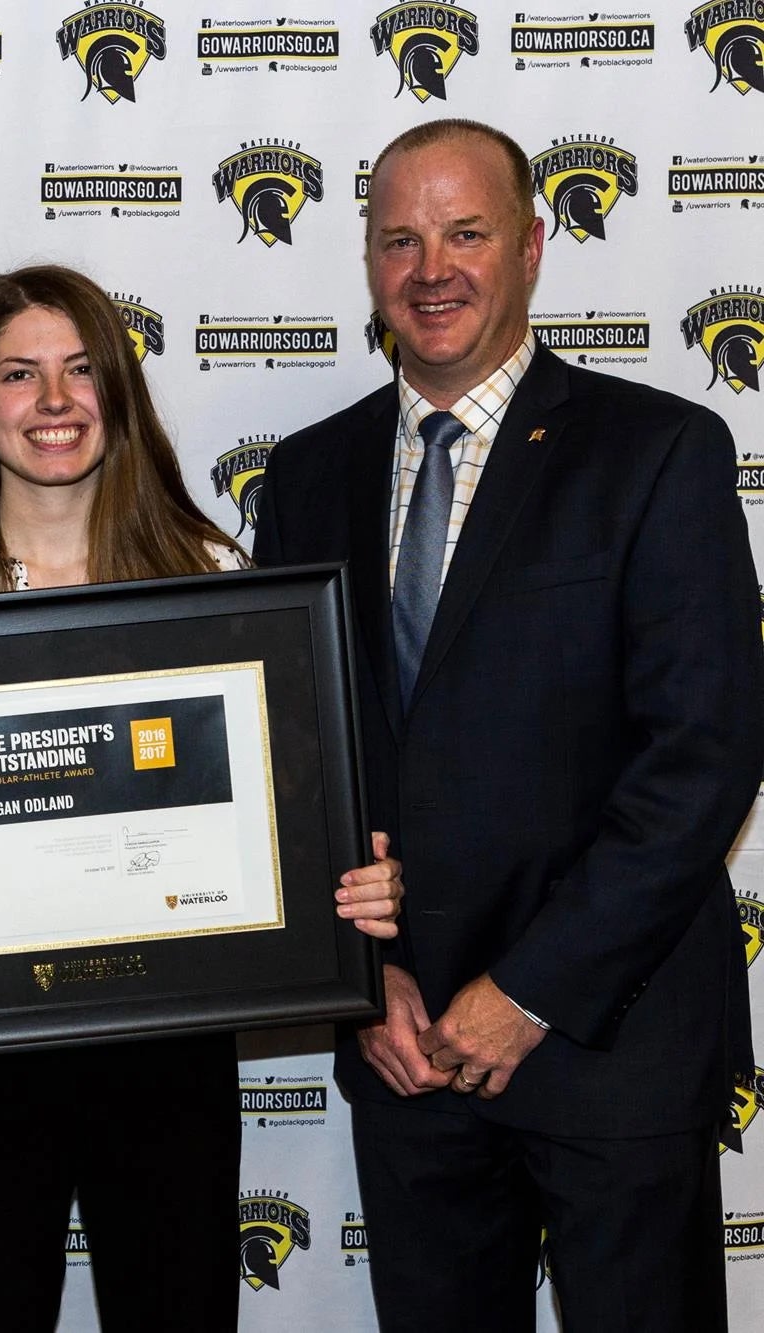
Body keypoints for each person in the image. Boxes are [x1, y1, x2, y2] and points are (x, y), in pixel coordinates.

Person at [251, 118, 764, 1331]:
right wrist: (359, 981)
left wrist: (523, 992)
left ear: (532, 246)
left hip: (609, 1043)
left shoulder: (656, 452)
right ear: (367, 264)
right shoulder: (306, 475)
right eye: (399, 240)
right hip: (405, 1052)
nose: (431, 269)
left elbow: (700, 761)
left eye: (465, 233)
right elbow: (292, 763)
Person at [0, 264, 404, 1331]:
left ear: (119, 391)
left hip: (163, 1042)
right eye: (18, 374)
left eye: (78, 371)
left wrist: (344, 875)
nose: (52, 403)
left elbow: (276, 810)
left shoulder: (208, 570)